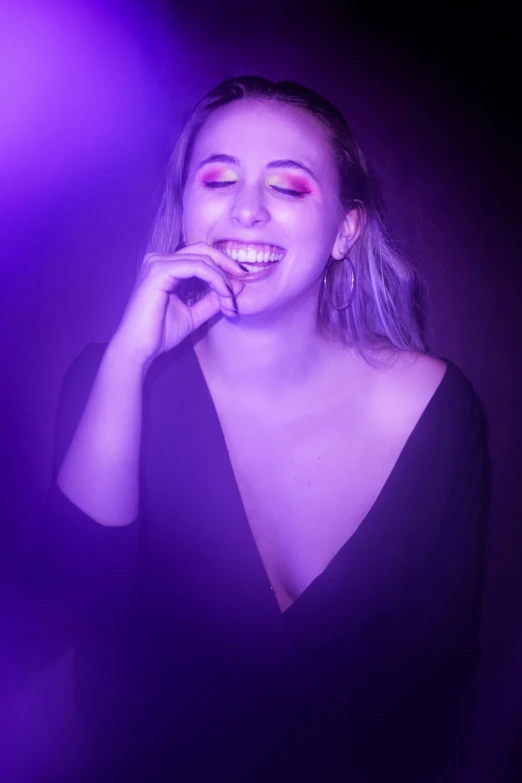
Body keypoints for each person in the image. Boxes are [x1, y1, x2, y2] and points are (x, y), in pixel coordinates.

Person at [27, 76, 489, 781]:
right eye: (218, 180)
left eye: (289, 187)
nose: (245, 211)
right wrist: (127, 362)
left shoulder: (439, 409)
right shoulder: (109, 381)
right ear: (185, 210)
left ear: (345, 229)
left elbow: (442, 698)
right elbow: (65, 612)